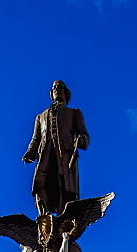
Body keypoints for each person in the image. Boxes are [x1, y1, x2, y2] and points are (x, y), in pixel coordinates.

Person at [23, 80, 90, 216]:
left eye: (59, 87)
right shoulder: (40, 116)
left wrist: (81, 140)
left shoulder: (74, 113)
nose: (56, 89)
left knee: (63, 187)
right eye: (54, 88)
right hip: (45, 155)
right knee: (39, 184)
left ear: (65, 92)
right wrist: (30, 152)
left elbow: (84, 135)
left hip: (64, 155)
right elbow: (36, 138)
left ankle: (61, 220)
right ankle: (44, 218)